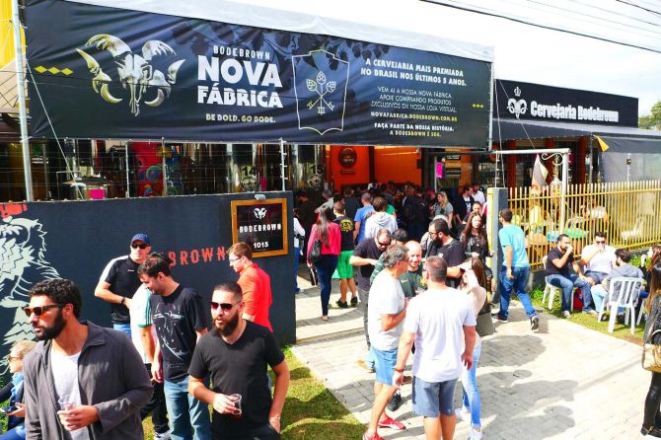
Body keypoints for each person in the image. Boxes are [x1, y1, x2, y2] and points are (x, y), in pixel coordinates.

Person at [23, 279, 152, 439]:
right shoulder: (34, 360)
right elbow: (34, 425)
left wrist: (99, 413)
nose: (31, 319)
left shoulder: (116, 343)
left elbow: (143, 390)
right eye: (28, 311)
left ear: (67, 309)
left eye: (39, 311)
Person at [188, 282, 290, 440]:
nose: (218, 312)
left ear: (241, 307)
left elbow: (283, 372)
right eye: (214, 305)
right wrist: (213, 398)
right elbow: (193, 384)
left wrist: (275, 416)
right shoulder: (205, 343)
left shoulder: (262, 337)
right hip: (223, 431)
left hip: (261, 428)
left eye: (226, 307)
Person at [393, 256, 477, 440]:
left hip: (427, 370)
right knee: (447, 408)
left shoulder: (418, 303)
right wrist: (468, 353)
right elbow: (471, 333)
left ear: (427, 275)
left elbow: (407, 339)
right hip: (452, 367)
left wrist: (399, 369)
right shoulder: (462, 298)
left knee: (430, 414)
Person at [139, 254, 211, 440]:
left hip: (193, 375)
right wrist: (156, 361)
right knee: (177, 427)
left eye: (147, 282)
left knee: (199, 425)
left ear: (160, 276)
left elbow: (202, 335)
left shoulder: (189, 296)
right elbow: (162, 333)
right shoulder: (153, 299)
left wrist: (197, 372)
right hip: (170, 377)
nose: (146, 287)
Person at [362, 245, 409, 440]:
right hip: (387, 344)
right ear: (398, 263)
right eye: (407, 260)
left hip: (380, 341)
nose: (410, 263)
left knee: (382, 381)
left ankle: (382, 418)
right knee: (391, 386)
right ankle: (371, 432)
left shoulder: (388, 277)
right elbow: (387, 323)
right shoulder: (388, 287)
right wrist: (407, 309)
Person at [129, 284, 170, 440]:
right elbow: (145, 333)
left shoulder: (147, 292)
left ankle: (162, 430)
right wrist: (154, 362)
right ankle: (122, 428)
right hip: (149, 358)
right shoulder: (146, 295)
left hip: (151, 356)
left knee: (159, 395)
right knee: (151, 398)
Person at [351, 229, 392, 373]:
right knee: (370, 319)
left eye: (387, 244)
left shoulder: (389, 247)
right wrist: (369, 261)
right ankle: (371, 350)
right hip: (367, 287)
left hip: (384, 287)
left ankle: (374, 356)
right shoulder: (365, 244)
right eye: (382, 244)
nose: (384, 247)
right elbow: (352, 260)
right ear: (376, 238)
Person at [94, 233, 152, 337]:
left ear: (148, 249)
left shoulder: (153, 265)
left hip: (149, 322)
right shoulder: (117, 264)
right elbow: (99, 291)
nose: (138, 249)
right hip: (124, 324)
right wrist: (125, 301)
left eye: (142, 246)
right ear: (130, 247)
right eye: (135, 245)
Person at [456, 258, 487, 440]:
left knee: (469, 384)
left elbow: (475, 286)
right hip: (458, 344)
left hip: (470, 345)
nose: (465, 275)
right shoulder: (462, 289)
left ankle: (476, 428)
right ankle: (465, 409)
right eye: (464, 272)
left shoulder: (479, 292)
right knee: (464, 379)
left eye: (469, 272)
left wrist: (469, 269)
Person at [498, 209, 539, 328]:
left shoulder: (503, 231)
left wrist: (509, 269)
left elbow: (509, 250)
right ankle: (532, 315)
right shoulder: (519, 229)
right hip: (525, 265)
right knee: (521, 291)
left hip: (513, 265)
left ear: (501, 218)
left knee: (505, 291)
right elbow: (527, 244)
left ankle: (503, 316)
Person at [546, 234, 595, 318]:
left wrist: (580, 275)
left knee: (586, 282)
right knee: (568, 284)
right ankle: (565, 309)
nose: (568, 245)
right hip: (553, 276)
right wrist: (567, 253)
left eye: (569, 243)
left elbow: (574, 264)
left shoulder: (568, 252)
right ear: (559, 242)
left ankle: (587, 308)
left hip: (566, 275)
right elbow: (559, 265)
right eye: (566, 243)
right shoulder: (553, 252)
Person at [228, 243, 274, 331]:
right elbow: (269, 301)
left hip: (254, 334)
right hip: (264, 330)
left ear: (243, 258)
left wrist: (240, 335)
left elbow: (248, 313)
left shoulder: (247, 277)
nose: (230, 264)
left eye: (232, 260)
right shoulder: (262, 274)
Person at [307, 207, 341, 321]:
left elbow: (310, 244)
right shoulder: (335, 226)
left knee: (324, 284)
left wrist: (308, 260)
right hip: (333, 258)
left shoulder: (316, 227)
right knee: (327, 282)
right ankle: (326, 308)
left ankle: (324, 312)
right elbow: (338, 242)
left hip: (320, 258)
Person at [0, 341, 36, 440]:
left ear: (24, 360)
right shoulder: (18, 378)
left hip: (35, 427)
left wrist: (28, 411)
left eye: (11, 358)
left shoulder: (39, 379)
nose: (8, 361)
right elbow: (3, 394)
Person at [591, 248, 644, 314]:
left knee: (594, 289)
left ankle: (600, 313)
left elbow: (609, 288)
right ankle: (620, 313)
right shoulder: (637, 271)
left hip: (615, 298)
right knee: (619, 292)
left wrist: (603, 285)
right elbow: (639, 285)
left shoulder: (614, 272)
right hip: (631, 298)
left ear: (619, 259)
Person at [642, 258, 661, 438]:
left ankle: (656, 418)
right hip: (658, 348)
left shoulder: (655, 296)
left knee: (657, 387)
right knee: (656, 388)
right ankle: (647, 426)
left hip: (655, 347)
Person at [332, 201, 358, 308]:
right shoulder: (350, 220)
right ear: (344, 210)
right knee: (349, 275)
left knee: (342, 277)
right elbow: (354, 234)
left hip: (340, 251)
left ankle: (343, 300)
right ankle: (354, 296)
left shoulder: (335, 222)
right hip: (350, 250)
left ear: (334, 211)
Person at [425, 219, 464, 288]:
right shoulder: (433, 244)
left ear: (440, 234)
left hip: (448, 288)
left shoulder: (456, 246)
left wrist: (433, 270)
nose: (430, 236)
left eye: (431, 234)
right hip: (431, 286)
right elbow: (426, 264)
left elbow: (456, 272)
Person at [293, 209, 305, 294]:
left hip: (283, 248)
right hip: (294, 246)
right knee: (294, 268)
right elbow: (302, 232)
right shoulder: (294, 220)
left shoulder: (280, 219)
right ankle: (294, 287)